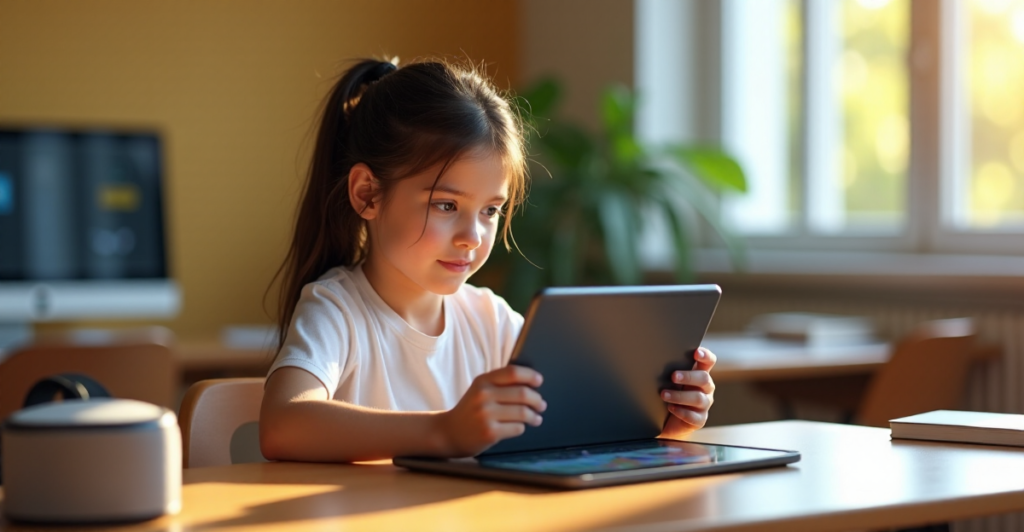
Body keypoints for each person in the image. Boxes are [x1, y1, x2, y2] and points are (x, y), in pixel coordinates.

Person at [259, 58, 717, 462]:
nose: (472, 237)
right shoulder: (337, 308)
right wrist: (442, 431)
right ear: (367, 193)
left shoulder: (490, 320)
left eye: (490, 211)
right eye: (445, 205)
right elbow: (282, 425)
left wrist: (664, 422)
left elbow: (570, 427)